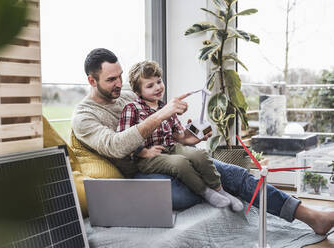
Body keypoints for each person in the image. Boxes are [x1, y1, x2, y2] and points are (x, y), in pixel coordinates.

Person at [71, 48, 334, 235]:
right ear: (92, 80)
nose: (119, 84)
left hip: (167, 158)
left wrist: (188, 137)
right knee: (202, 182)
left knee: (233, 174)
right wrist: (164, 112)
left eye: (119, 76)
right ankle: (228, 192)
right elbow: (117, 145)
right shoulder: (85, 117)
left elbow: (164, 129)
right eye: (111, 80)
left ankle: (311, 217)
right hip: (139, 176)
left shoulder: (128, 94)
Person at [116, 60, 243, 211]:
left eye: (159, 81)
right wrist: (143, 151)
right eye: (150, 85)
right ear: (138, 92)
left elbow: (180, 136)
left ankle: (219, 190)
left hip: (171, 147)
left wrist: (194, 136)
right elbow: (123, 138)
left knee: (200, 154)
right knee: (180, 163)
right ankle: (205, 192)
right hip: (147, 157)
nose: (157, 87)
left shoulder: (166, 107)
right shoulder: (132, 108)